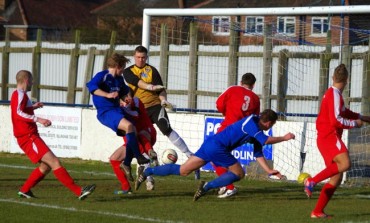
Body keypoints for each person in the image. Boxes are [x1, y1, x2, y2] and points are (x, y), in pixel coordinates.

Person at [134, 109, 295, 201]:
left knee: (183, 170)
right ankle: (207, 186)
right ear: (268, 123)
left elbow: (258, 151)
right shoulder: (252, 124)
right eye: (272, 125)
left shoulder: (255, 127)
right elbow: (266, 140)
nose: (270, 127)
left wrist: (268, 170)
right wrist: (284, 138)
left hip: (211, 144)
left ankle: (147, 172)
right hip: (218, 147)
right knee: (239, 173)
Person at [10, 70, 96, 200]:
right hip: (27, 137)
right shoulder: (19, 94)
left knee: (46, 166)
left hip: (30, 135)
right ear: (27, 81)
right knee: (55, 162)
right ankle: (79, 191)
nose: (33, 83)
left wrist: (33, 107)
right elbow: (17, 113)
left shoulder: (21, 95)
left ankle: (25, 190)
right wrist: (39, 119)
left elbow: (21, 110)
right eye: (32, 81)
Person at [303, 64, 370, 218]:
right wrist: (355, 124)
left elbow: (344, 112)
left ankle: (317, 211)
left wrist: (362, 117)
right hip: (330, 136)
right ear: (347, 80)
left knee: (337, 176)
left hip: (326, 137)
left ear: (333, 77)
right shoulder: (334, 94)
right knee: (345, 164)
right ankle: (311, 181)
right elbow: (335, 120)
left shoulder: (334, 94)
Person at [123, 45, 200, 179]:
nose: (140, 60)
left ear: (146, 57)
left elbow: (160, 89)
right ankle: (148, 175)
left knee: (167, 129)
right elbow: (136, 82)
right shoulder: (128, 71)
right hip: (139, 110)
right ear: (134, 57)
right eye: (138, 57)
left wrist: (163, 100)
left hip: (155, 106)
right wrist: (149, 86)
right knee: (142, 137)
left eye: (143, 57)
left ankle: (190, 156)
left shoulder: (152, 70)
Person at [214, 73, 284, 198]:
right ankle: (224, 185)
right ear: (253, 85)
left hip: (227, 128)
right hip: (245, 132)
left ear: (241, 82)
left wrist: (227, 113)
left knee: (214, 154)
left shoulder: (232, 89)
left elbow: (218, 104)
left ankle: (228, 186)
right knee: (222, 156)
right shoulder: (255, 99)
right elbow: (255, 118)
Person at [86, 53, 150, 167]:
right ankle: (139, 157)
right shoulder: (102, 75)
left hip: (117, 110)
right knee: (129, 126)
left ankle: (127, 162)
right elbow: (92, 88)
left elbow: (124, 93)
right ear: (118, 66)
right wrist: (107, 95)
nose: (123, 70)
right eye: (123, 67)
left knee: (134, 130)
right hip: (106, 112)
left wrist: (127, 99)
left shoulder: (119, 79)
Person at [119, 92, 158, 191]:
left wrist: (124, 109)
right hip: (133, 134)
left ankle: (148, 177)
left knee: (141, 149)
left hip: (146, 131)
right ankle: (130, 184)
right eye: (125, 96)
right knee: (115, 158)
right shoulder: (118, 104)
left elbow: (136, 115)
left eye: (129, 95)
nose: (128, 98)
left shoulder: (136, 101)